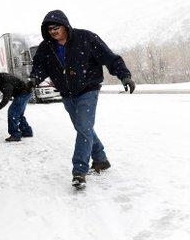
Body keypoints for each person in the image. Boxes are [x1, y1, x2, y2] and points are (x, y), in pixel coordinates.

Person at [30, 10, 135, 189]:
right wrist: (32, 80)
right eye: (49, 29)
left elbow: (110, 58)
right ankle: (100, 159)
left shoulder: (86, 38)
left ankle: (79, 171)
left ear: (65, 25)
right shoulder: (46, 47)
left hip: (88, 89)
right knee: (82, 127)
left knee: (84, 127)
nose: (53, 31)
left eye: (56, 27)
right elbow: (39, 68)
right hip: (67, 93)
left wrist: (124, 76)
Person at [0, 72, 34, 142]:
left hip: (23, 94)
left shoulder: (6, 84)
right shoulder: (0, 77)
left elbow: (5, 100)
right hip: (25, 93)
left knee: (12, 113)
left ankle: (15, 135)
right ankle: (27, 132)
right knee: (18, 114)